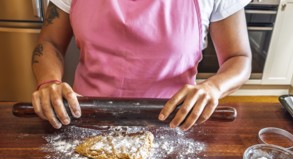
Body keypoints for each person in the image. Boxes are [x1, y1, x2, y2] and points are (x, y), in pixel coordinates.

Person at [31, 0, 252, 131]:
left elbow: (238, 57)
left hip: (174, 121)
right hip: (86, 116)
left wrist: (213, 88)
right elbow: (49, 43)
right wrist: (49, 82)